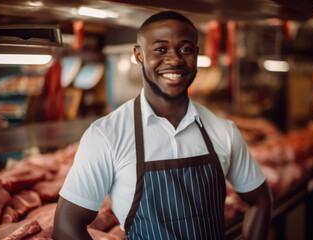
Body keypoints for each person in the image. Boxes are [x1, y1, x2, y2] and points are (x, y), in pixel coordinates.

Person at [53, 11, 273, 240]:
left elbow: (260, 199)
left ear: (197, 54)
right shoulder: (106, 135)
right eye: (160, 49)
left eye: (186, 49)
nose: (175, 60)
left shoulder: (223, 131)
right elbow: (67, 227)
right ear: (138, 55)